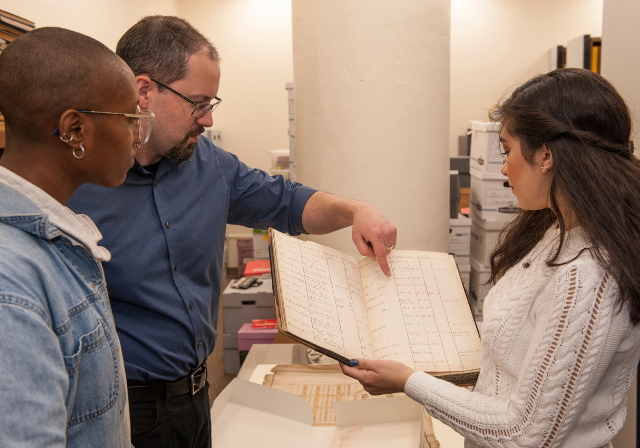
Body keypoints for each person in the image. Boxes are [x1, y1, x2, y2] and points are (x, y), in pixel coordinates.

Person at [67, 15, 397, 448]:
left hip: (199, 394)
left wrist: (356, 209)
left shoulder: (211, 165)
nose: (206, 120)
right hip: (120, 410)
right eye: (197, 103)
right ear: (144, 91)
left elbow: (290, 202)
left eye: (211, 105)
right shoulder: (75, 181)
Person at [341, 68, 640, 448]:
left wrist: (407, 381)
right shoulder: (556, 232)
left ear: (545, 155)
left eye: (507, 149)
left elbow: (525, 435)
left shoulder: (587, 275)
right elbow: (525, 344)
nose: (503, 167)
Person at [0, 27, 154, 447]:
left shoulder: (55, 238)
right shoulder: (11, 282)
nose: (138, 136)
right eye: (129, 119)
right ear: (74, 130)